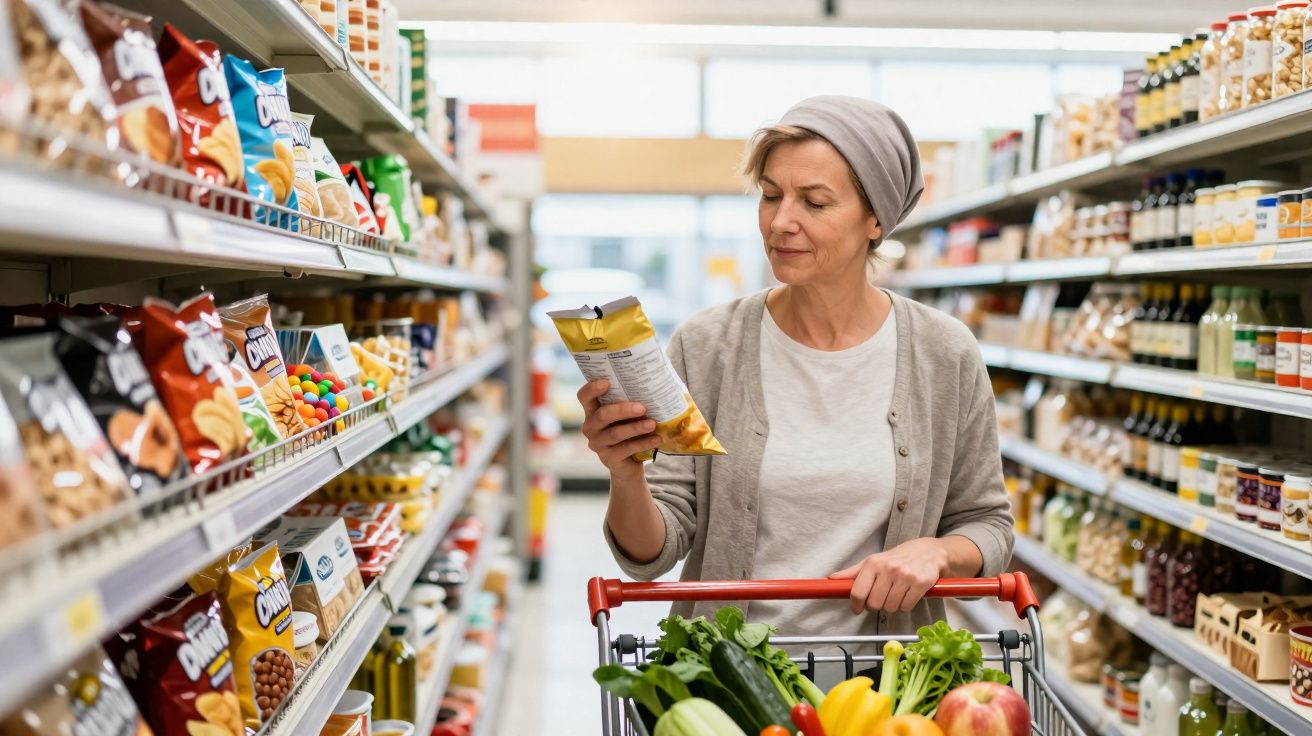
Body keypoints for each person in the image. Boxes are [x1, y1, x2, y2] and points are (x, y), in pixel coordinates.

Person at [576, 95, 1014, 639]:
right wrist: (625, 473)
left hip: (887, 681)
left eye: (815, 202)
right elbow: (652, 554)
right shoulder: (708, 345)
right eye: (770, 196)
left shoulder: (944, 352)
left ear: (875, 219)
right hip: (729, 674)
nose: (781, 222)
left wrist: (938, 553)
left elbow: (989, 525)